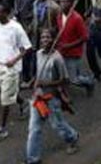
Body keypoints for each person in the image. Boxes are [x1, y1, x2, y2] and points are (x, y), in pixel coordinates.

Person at [25, 28, 80, 164]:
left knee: (57, 125)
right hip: (37, 97)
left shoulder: (57, 58)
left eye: (48, 37)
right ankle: (33, 159)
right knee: (34, 129)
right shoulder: (38, 54)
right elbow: (37, 73)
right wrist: (32, 82)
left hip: (51, 98)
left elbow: (65, 80)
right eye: (42, 37)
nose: (44, 40)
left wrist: (46, 83)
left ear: (54, 40)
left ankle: (72, 137)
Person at [0, 4, 31, 143]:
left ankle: (2, 128)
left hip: (12, 68)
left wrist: (14, 60)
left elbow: (26, 49)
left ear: (6, 13)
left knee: (4, 99)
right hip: (0, 65)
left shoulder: (16, 28)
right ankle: (24, 103)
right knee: (7, 91)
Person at [56, 0, 94, 95]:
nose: (63, 4)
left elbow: (85, 37)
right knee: (61, 72)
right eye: (61, 2)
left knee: (74, 79)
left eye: (65, 2)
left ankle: (89, 82)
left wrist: (69, 45)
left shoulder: (77, 18)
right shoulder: (59, 16)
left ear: (71, 4)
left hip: (73, 53)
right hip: (61, 51)